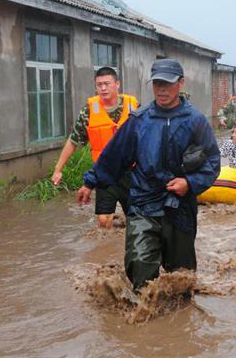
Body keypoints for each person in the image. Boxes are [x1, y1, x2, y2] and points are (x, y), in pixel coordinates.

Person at [83, 59, 220, 290]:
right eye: (157, 84)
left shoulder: (195, 121)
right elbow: (114, 156)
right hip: (144, 203)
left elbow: (212, 161)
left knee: (181, 277)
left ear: (181, 83)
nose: (162, 89)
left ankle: (181, 313)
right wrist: (90, 182)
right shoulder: (139, 120)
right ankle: (142, 307)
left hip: (180, 207)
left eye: (167, 84)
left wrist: (189, 182)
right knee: (140, 266)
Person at [57, 67, 139, 227]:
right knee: (103, 220)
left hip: (131, 172)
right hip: (104, 172)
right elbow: (73, 141)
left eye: (107, 84)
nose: (103, 88)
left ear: (117, 84)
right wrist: (58, 169)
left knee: (135, 219)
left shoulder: (134, 107)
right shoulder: (88, 111)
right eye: (99, 85)